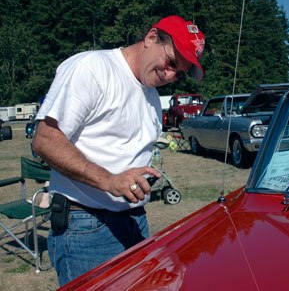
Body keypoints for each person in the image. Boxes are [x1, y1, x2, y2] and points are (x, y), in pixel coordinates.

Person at [32, 15, 205, 286]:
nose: (170, 75)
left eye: (179, 73)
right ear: (150, 38)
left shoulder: (149, 94)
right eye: (171, 62)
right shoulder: (92, 68)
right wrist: (109, 180)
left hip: (134, 220)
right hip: (85, 225)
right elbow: (45, 140)